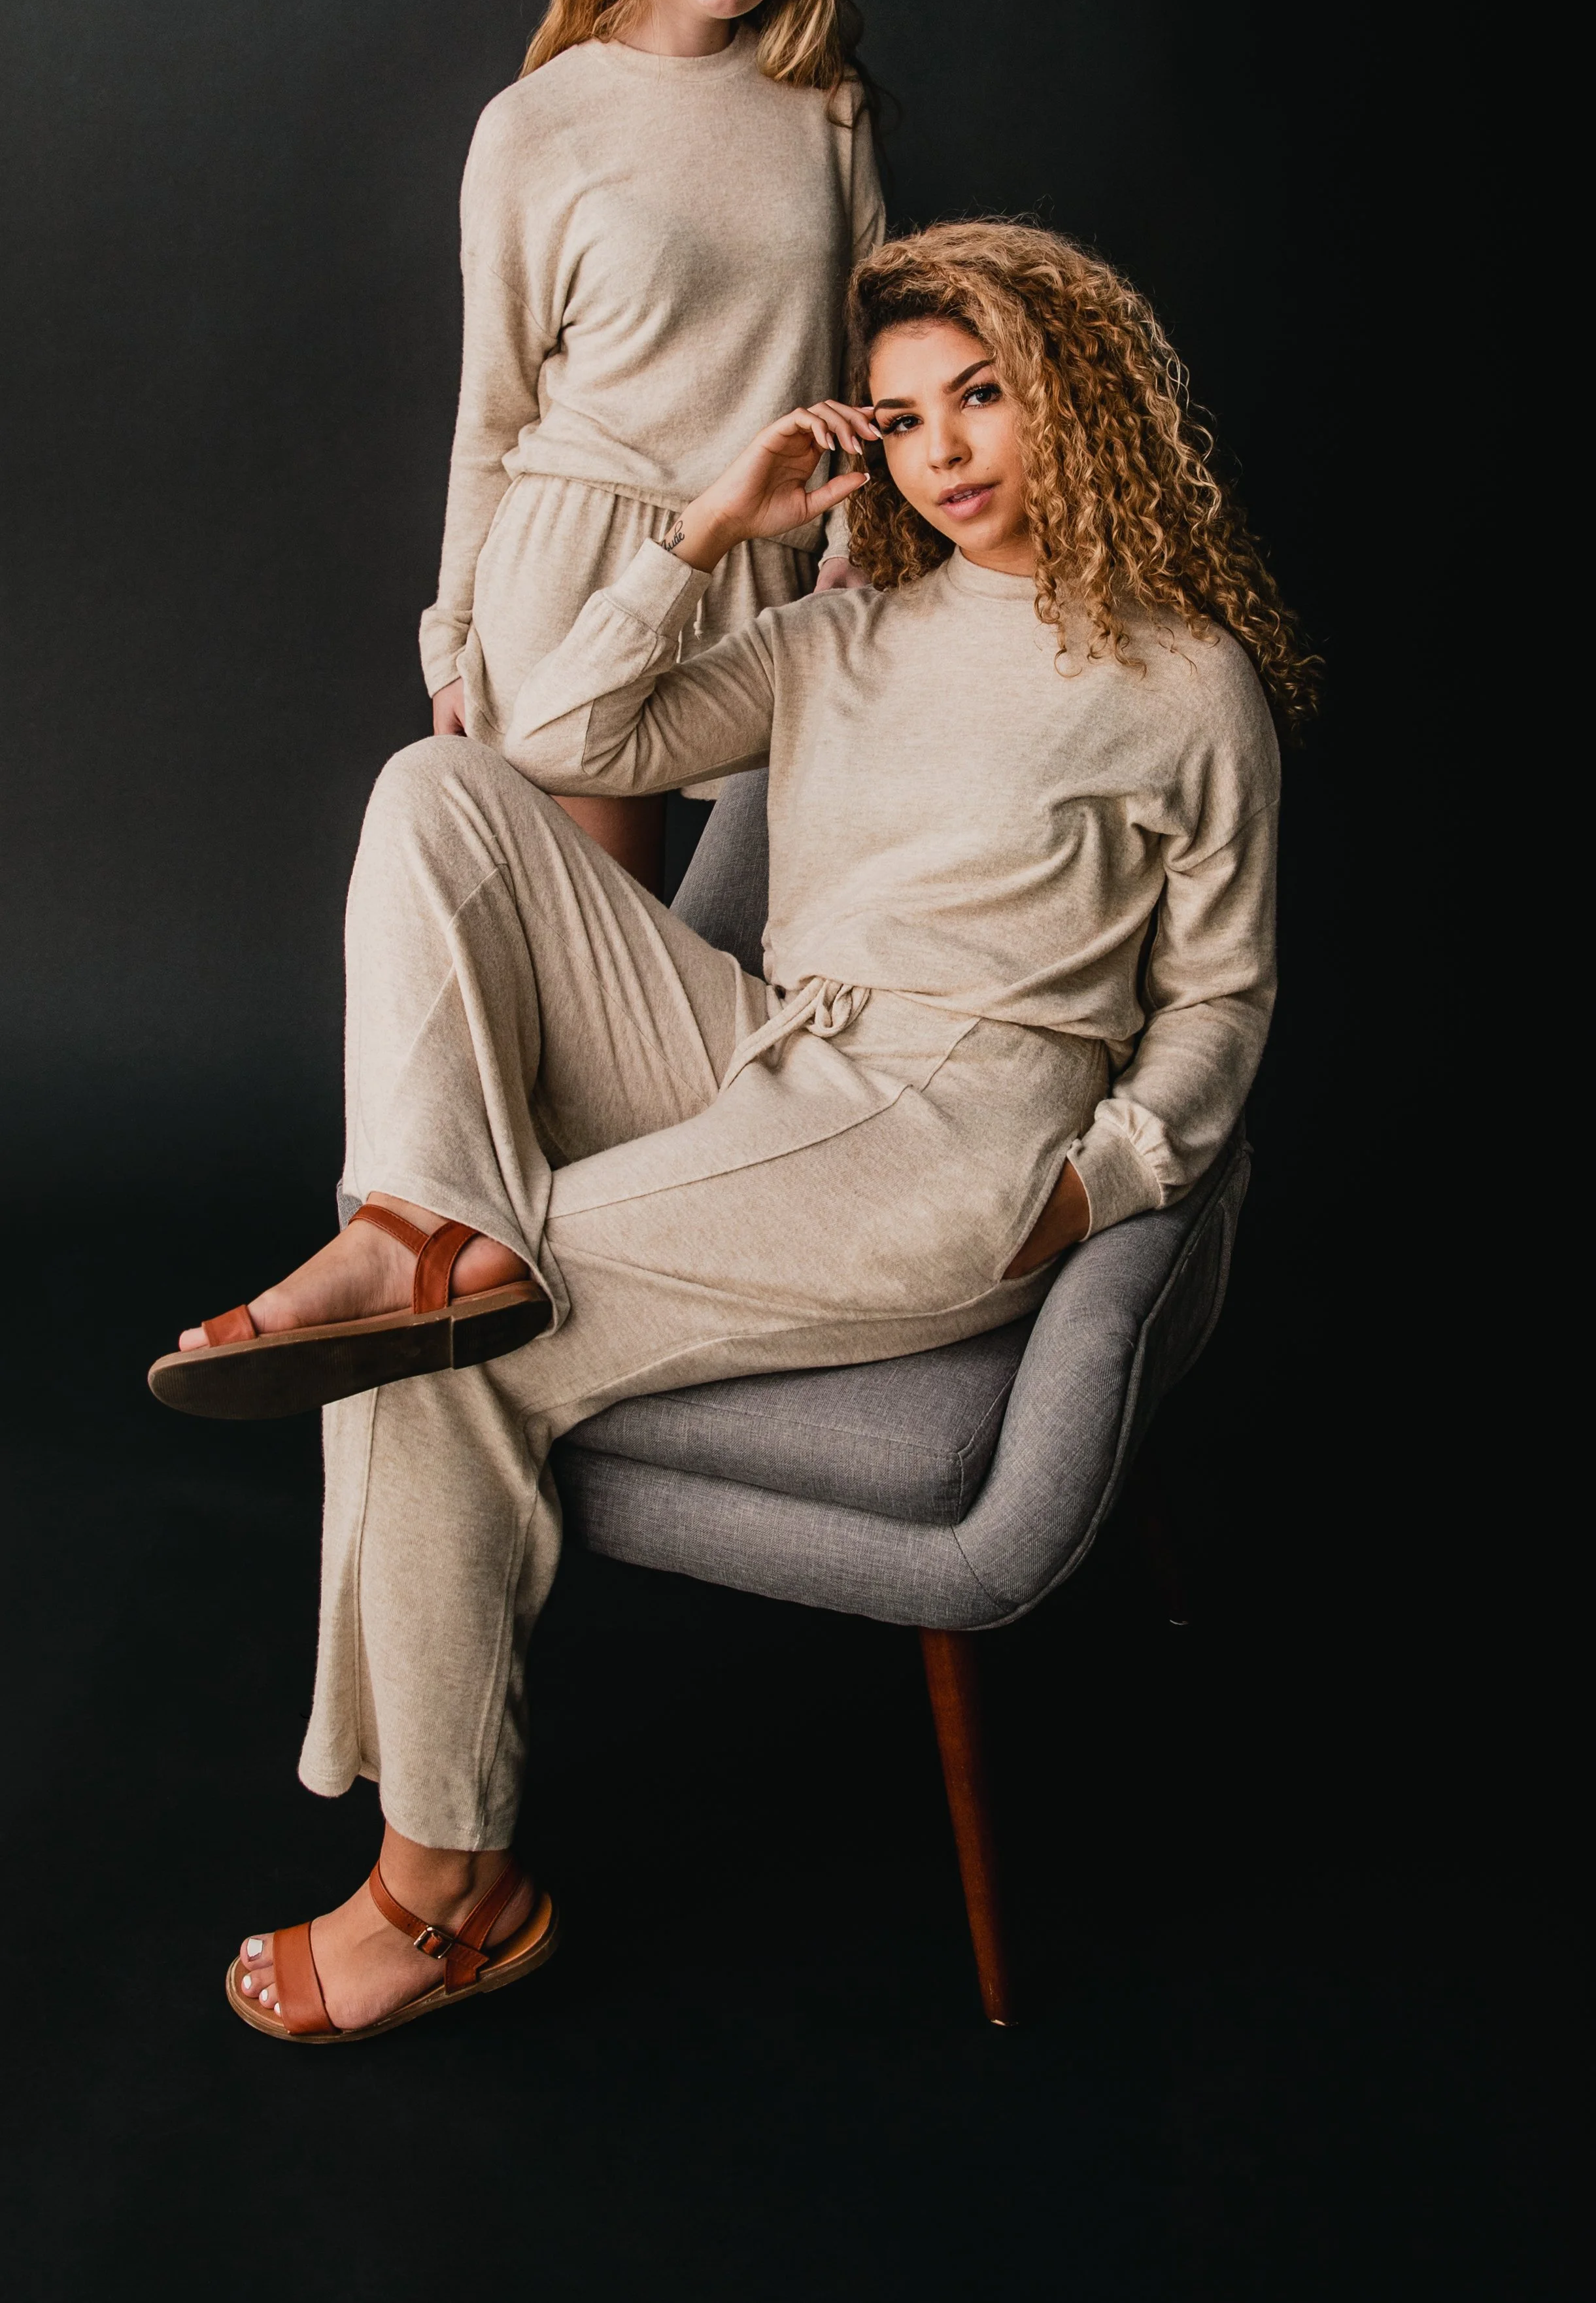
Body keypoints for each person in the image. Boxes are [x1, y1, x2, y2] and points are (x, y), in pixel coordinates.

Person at [154, 218, 1316, 2043]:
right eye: (904, 418)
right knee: (436, 786)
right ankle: (420, 1215)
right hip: (769, 1048)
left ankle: (446, 1894)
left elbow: (1222, 1004)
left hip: (951, 1126)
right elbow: (551, 729)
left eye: (983, 395)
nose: (945, 451)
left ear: (1071, 394)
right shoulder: (837, 631)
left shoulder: (1184, 681)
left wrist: (1100, 1178)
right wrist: (706, 528)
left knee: (440, 1355)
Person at [420, 0, 884, 887]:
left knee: (764, 973)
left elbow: (874, 356)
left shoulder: (826, 113)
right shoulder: (535, 126)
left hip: (775, 578)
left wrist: (855, 547)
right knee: (609, 980)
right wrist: (450, 639)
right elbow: (494, 409)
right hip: (580, 583)